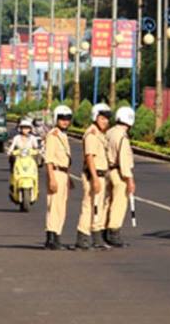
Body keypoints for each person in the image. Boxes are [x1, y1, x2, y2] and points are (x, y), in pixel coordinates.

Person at [72, 103, 112, 251]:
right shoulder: (91, 134)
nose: (105, 121)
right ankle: (82, 237)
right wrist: (94, 178)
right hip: (93, 175)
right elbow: (89, 157)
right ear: (95, 118)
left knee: (98, 207)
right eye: (102, 118)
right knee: (89, 206)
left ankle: (96, 238)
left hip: (100, 175)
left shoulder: (99, 134)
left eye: (107, 119)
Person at [104, 106, 136, 248]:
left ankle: (103, 230)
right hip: (119, 173)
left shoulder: (109, 132)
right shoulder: (122, 136)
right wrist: (129, 180)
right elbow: (123, 160)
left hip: (107, 171)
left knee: (107, 202)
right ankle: (114, 232)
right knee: (119, 204)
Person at [43, 106, 74, 251]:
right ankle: (51, 238)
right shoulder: (53, 135)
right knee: (54, 206)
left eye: (67, 119)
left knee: (61, 208)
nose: (65, 122)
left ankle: (56, 237)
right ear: (56, 119)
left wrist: (69, 178)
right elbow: (49, 159)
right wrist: (51, 179)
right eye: (62, 119)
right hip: (55, 172)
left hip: (63, 173)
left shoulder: (63, 135)